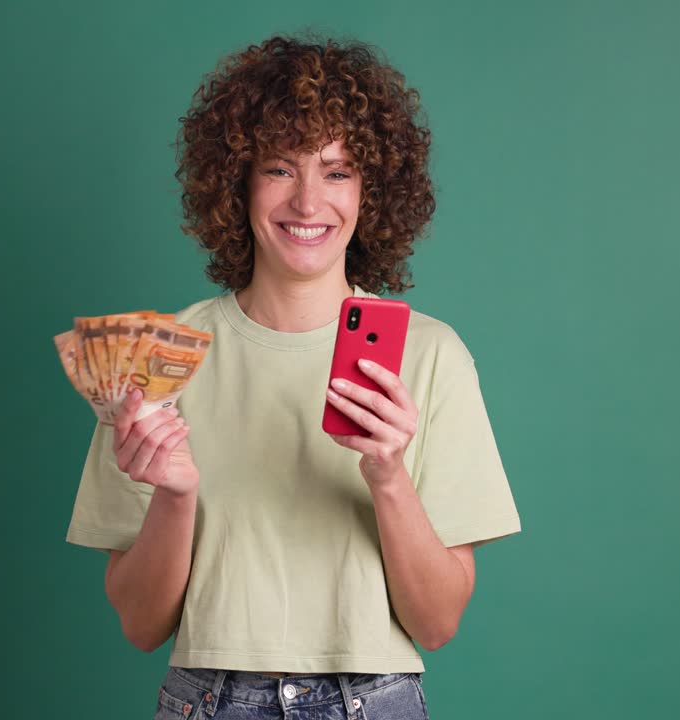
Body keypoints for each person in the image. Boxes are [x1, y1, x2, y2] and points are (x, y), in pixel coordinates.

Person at [65, 33, 522, 720]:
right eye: (280, 168)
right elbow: (140, 625)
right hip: (208, 700)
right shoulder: (161, 358)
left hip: (376, 701)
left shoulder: (430, 357)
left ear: (373, 189)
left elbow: (436, 624)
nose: (309, 202)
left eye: (337, 171)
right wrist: (176, 497)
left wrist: (389, 476)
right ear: (237, 183)